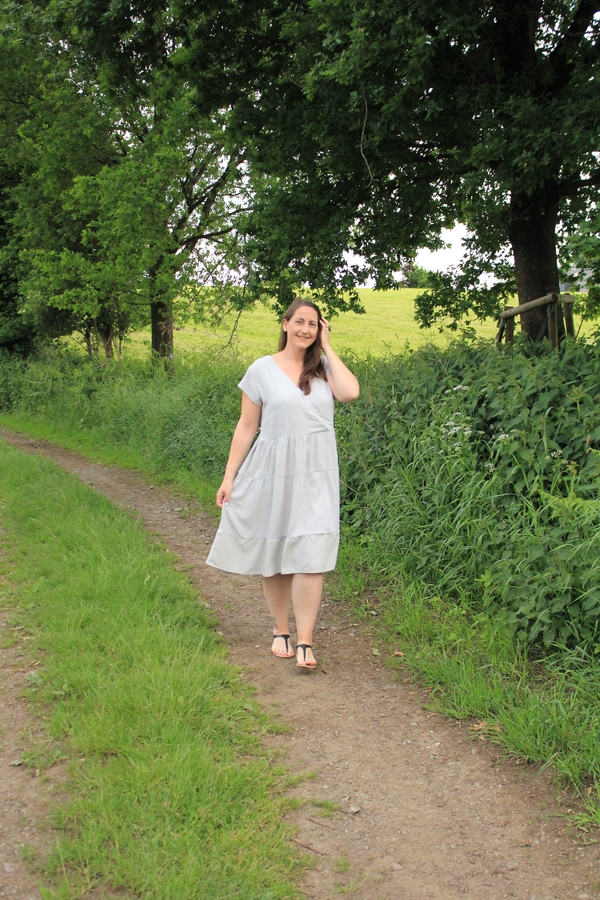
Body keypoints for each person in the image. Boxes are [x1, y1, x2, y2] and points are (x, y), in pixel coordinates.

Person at [206, 298, 360, 668]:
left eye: (313, 324)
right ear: (285, 323)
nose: (306, 329)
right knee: (275, 552)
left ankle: (305, 639)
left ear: (320, 329)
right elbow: (247, 426)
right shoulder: (261, 369)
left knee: (312, 553)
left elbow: (350, 393)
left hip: (317, 473)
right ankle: (281, 629)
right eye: (300, 322)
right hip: (272, 471)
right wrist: (229, 477)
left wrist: (328, 347)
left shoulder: (323, 368)